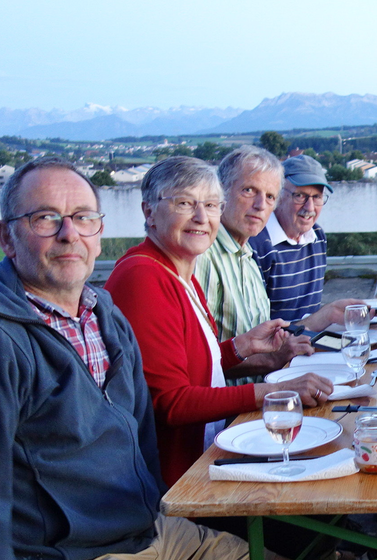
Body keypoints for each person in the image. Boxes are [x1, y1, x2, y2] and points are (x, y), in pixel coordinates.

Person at [0, 156, 321, 560]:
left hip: (142, 533)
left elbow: (140, 429)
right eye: (45, 218)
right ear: (6, 236)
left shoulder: (100, 314)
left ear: (99, 230)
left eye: (83, 217)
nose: (69, 234)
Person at [106, 156, 333, 487]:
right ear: (149, 212)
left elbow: (188, 367)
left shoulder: (178, 270)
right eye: (185, 203)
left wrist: (240, 347)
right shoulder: (142, 276)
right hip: (173, 480)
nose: (202, 217)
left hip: (201, 460)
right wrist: (274, 392)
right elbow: (169, 403)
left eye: (211, 205)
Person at [195, 146, 363, 386]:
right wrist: (274, 359)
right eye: (249, 190)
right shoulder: (204, 256)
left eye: (269, 196)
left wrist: (328, 315)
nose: (260, 205)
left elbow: (267, 339)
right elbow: (198, 363)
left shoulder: (244, 252)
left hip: (269, 386)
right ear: (220, 192)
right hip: (238, 402)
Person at [248, 154, 333, 321]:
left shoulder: (318, 236)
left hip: (311, 336)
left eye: (317, 197)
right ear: (278, 195)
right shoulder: (257, 244)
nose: (310, 207)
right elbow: (254, 325)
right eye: (300, 196)